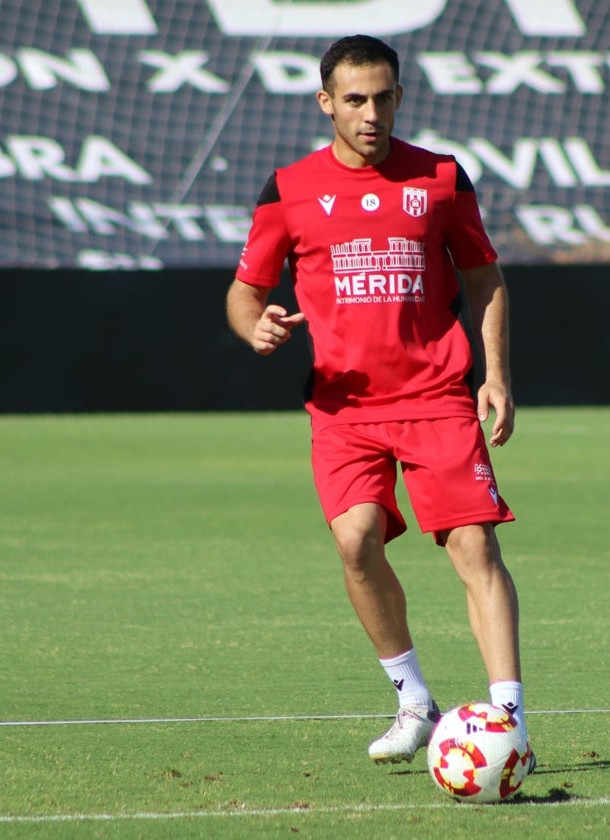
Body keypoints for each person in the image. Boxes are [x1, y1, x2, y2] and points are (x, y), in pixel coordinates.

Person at [226, 34, 532, 767]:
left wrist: (496, 375)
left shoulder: (442, 177)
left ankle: (509, 722)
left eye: (384, 96)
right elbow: (244, 294)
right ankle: (414, 701)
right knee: (356, 540)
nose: (371, 113)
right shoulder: (288, 189)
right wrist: (254, 327)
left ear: (400, 97)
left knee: (474, 546)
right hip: (343, 408)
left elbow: (486, 279)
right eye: (355, 99)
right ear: (326, 103)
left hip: (436, 396)